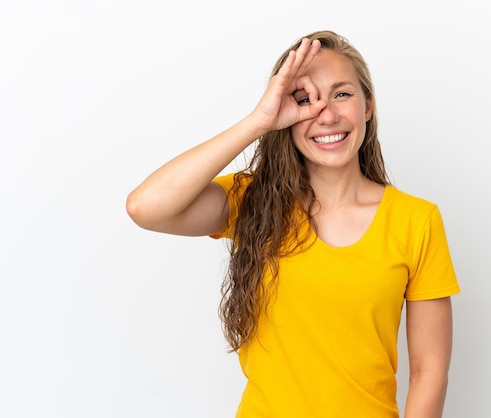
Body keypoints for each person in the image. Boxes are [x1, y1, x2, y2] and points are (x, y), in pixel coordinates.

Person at [126, 30, 460, 418]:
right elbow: (145, 207)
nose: (327, 114)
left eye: (342, 94)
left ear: (368, 105)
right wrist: (257, 122)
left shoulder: (416, 221)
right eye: (304, 100)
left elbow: (429, 372)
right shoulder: (252, 200)